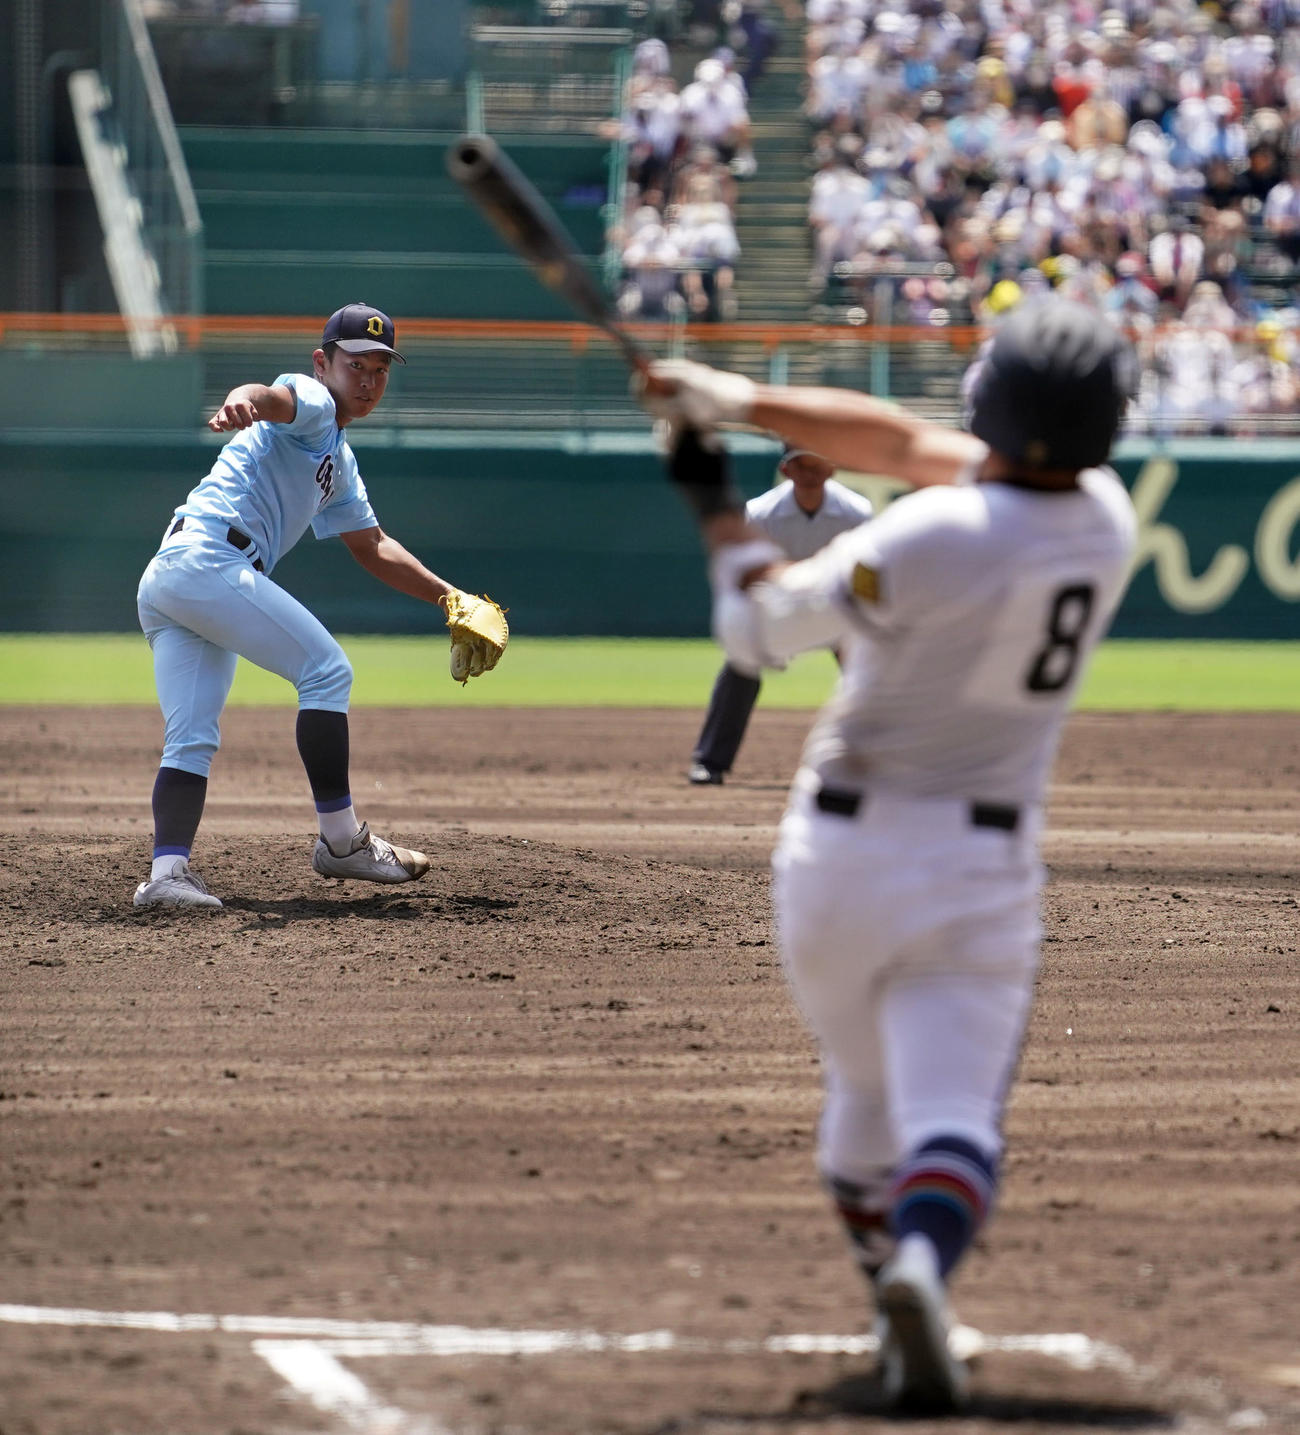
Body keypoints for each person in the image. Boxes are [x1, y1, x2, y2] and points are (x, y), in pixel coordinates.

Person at [639, 297, 1137, 1410]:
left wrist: (711, 500)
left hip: (839, 861)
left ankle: (895, 1289)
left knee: (862, 1102)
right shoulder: (1103, 519)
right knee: (950, 1114)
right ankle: (920, 1263)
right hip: (982, 870)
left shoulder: (926, 536)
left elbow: (757, 630)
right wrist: (738, 400)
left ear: (992, 403)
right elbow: (905, 444)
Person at [134, 302, 488, 910]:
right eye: (356, 365)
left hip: (174, 578)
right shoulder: (316, 401)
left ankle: (167, 874)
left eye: (380, 368)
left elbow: (373, 547)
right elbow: (270, 397)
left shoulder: (339, 460)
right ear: (323, 363)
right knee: (327, 672)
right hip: (209, 561)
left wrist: (450, 598)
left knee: (190, 738)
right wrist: (241, 399)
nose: (369, 380)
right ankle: (342, 841)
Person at [688, 446, 872, 785]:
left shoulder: (856, 512)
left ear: (832, 468)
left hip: (836, 609)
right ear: (786, 470)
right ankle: (710, 761)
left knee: (872, 670)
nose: (810, 471)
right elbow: (746, 579)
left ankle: (878, 762)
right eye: (802, 463)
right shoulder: (760, 513)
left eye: (818, 463)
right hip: (778, 607)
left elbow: (862, 577)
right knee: (740, 665)